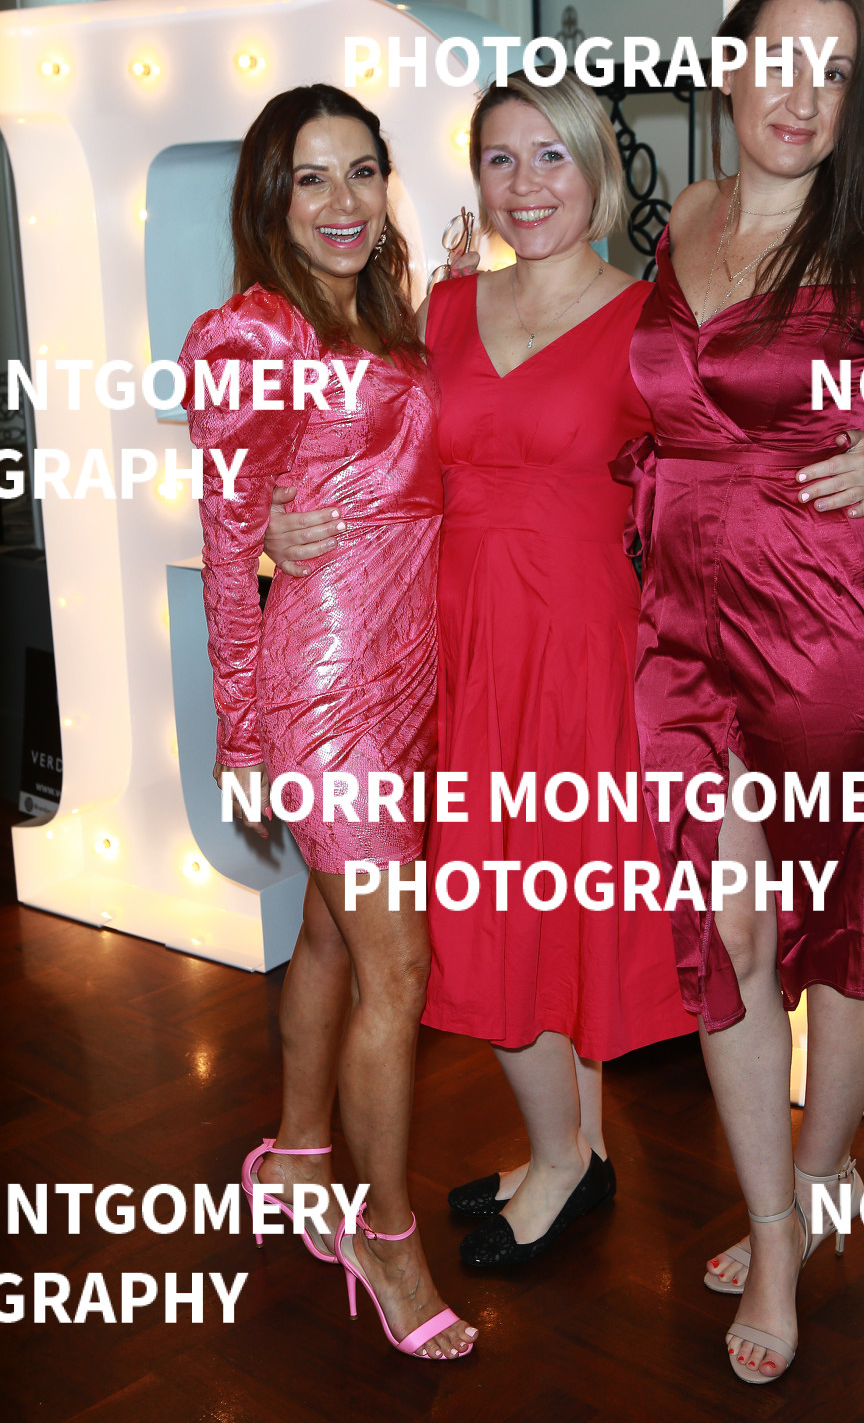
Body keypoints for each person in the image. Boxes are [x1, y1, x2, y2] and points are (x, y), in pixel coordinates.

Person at [264, 71, 864, 1273]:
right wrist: (272, 521)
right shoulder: (440, 305)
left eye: (549, 155)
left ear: (596, 167)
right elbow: (357, 447)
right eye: (499, 159)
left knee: (568, 914)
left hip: (594, 661)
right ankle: (565, 1148)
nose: (524, 184)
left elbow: (757, 434)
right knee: (489, 917)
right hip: (451, 657)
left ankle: (567, 1164)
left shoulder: (654, 319)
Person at [625, 0, 864, 1385]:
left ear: (850, 103)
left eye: (830, 73)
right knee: (729, 935)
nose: (798, 94)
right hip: (674, 638)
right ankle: (773, 1227)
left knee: (842, 928)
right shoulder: (685, 217)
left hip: (823, 640)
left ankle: (815, 1185)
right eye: (776, 60)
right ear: (726, 70)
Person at [178, 84, 476, 1361]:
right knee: (397, 967)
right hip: (323, 685)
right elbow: (225, 544)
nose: (343, 201)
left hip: (411, 674)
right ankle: (387, 1235)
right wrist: (242, 732)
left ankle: (298, 1154)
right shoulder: (251, 334)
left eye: (362, 171)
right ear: (271, 196)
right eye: (312, 177)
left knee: (330, 936)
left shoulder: (384, 310)